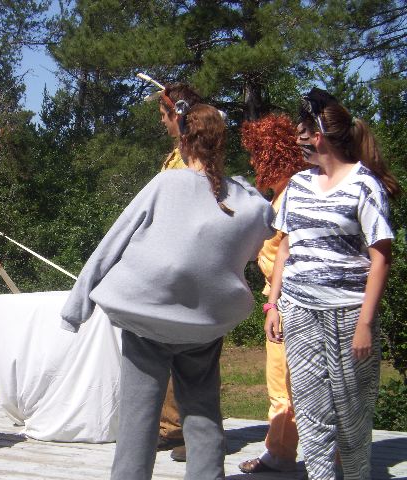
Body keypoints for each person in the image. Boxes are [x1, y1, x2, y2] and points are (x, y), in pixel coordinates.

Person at [61, 102, 275, 480]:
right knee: (203, 413)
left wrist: (76, 307)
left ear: (185, 142)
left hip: (148, 318)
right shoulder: (248, 199)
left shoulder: (166, 184)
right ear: (221, 144)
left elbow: (114, 240)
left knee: (139, 418)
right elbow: (269, 227)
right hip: (204, 326)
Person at [264, 88, 400, 480]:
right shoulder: (297, 185)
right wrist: (273, 304)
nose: (298, 139)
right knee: (311, 413)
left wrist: (365, 323)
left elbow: (381, 256)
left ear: (320, 135)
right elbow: (286, 247)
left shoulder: (364, 185)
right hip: (299, 312)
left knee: (352, 415)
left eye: (303, 131)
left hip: (348, 315)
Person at [237, 113, 308, 474]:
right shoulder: (288, 193)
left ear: (270, 154)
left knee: (283, 383)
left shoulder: (291, 196)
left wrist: (273, 303)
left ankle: (280, 452)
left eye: (256, 154)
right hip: (285, 299)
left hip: (287, 301)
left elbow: (289, 254)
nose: (253, 163)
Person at [155, 82, 203, 459]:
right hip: (169, 263)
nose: (162, 121)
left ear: (180, 113)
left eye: (165, 114)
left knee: (193, 354)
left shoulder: (198, 156)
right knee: (167, 349)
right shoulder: (176, 155)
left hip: (192, 266)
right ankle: (170, 426)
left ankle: (196, 432)